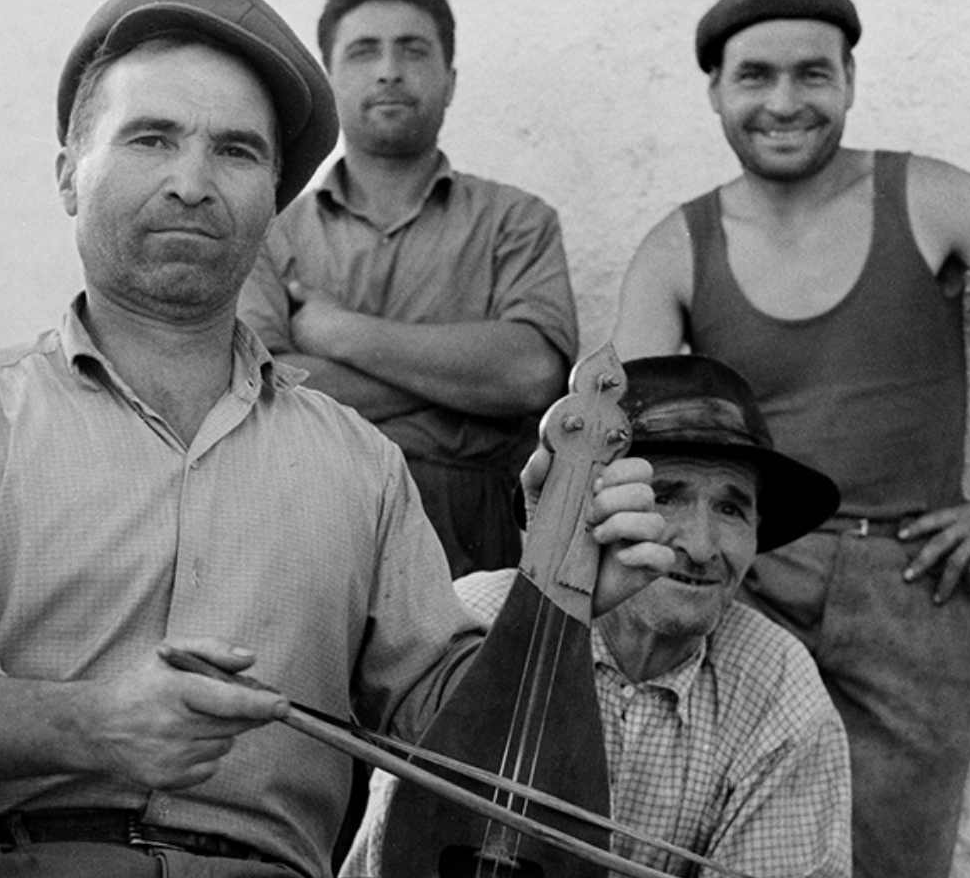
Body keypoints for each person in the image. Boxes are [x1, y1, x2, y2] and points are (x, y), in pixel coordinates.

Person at [0, 0, 663, 878]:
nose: (192, 183)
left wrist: (557, 595)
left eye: (235, 151)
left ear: (271, 199)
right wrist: (97, 724)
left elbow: (449, 733)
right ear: (68, 174)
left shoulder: (362, 465)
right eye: (151, 139)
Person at [611, 0, 970, 878]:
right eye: (755, 77)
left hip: (912, 585)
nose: (785, 102)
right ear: (715, 90)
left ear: (850, 80)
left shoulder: (927, 197)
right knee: (698, 847)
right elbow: (625, 432)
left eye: (812, 74)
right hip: (746, 583)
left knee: (897, 862)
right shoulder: (677, 244)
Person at [341, 354, 852, 878]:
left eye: (731, 508)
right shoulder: (479, 618)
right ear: (599, 505)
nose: (701, 546)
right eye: (667, 497)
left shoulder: (778, 685)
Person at [237, 0, 577, 579]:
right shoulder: (269, 228)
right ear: (329, 79)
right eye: (364, 52)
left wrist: (337, 332)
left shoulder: (516, 221)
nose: (389, 70)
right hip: (304, 519)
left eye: (413, 50)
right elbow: (257, 391)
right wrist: (465, 392)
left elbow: (530, 376)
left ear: (449, 82)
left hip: (477, 533)